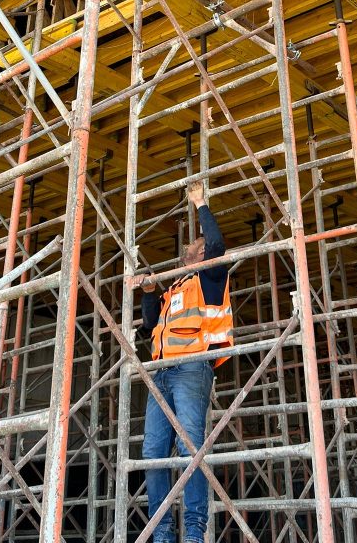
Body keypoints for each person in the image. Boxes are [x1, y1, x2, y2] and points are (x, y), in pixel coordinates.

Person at [135, 181, 233, 543]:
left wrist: (201, 204)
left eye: (196, 243)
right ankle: (161, 533)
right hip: (162, 372)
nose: (190, 247)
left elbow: (218, 246)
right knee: (153, 452)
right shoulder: (176, 288)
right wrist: (149, 293)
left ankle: (193, 532)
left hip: (192, 368)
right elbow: (150, 325)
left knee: (190, 446)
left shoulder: (210, 278)